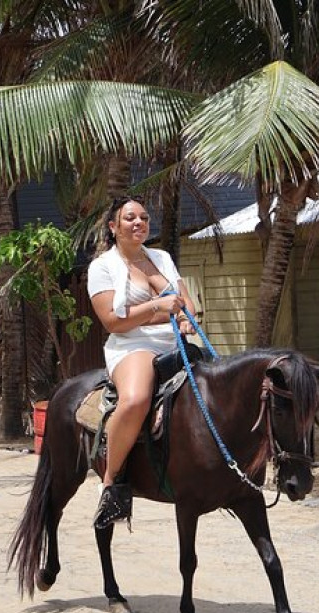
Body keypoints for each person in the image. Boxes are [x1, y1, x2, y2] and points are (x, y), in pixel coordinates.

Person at [86, 196, 197, 530]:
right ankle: (112, 482)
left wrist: (186, 319)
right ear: (113, 226)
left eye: (145, 218)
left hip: (172, 342)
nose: (139, 223)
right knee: (135, 399)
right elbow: (113, 322)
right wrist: (158, 309)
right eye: (130, 218)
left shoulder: (161, 257)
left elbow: (187, 303)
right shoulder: (102, 267)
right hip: (132, 345)